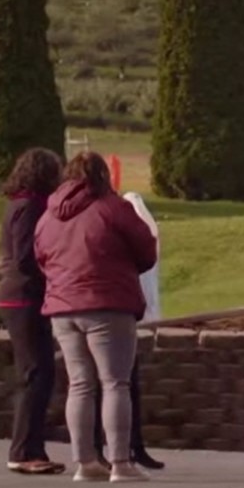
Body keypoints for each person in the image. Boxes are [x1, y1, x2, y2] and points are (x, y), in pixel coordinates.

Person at [34, 152, 158, 483]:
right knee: (115, 382)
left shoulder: (48, 215)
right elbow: (147, 250)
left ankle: (85, 462)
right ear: (103, 175)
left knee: (79, 383)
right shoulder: (113, 208)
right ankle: (120, 463)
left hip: (62, 306)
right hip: (108, 303)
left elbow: (41, 257)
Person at [0, 147, 65, 476]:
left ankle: (32, 448)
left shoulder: (21, 204)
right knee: (35, 374)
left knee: (40, 374)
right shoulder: (29, 207)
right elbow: (26, 257)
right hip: (24, 297)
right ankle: (22, 450)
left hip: (22, 296)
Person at [91, 192, 166, 472]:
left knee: (120, 384)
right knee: (109, 385)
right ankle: (109, 451)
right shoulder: (105, 222)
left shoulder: (114, 217)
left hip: (114, 309)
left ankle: (130, 447)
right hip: (106, 310)